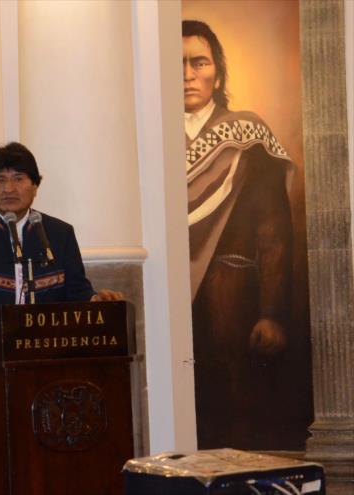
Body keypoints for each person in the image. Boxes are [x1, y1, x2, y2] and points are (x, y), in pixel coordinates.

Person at [183, 20, 298, 449]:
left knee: (240, 427)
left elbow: (275, 232)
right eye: (176, 64)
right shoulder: (150, 140)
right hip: (172, 305)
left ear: (218, 72)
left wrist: (272, 311)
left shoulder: (248, 136)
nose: (188, 74)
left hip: (235, 302)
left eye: (199, 62)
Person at [0, 142, 122, 325]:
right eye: (0, 180)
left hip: (44, 348)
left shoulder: (60, 234)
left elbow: (77, 289)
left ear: (35, 186)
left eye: (18, 179)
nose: (8, 188)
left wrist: (95, 299)